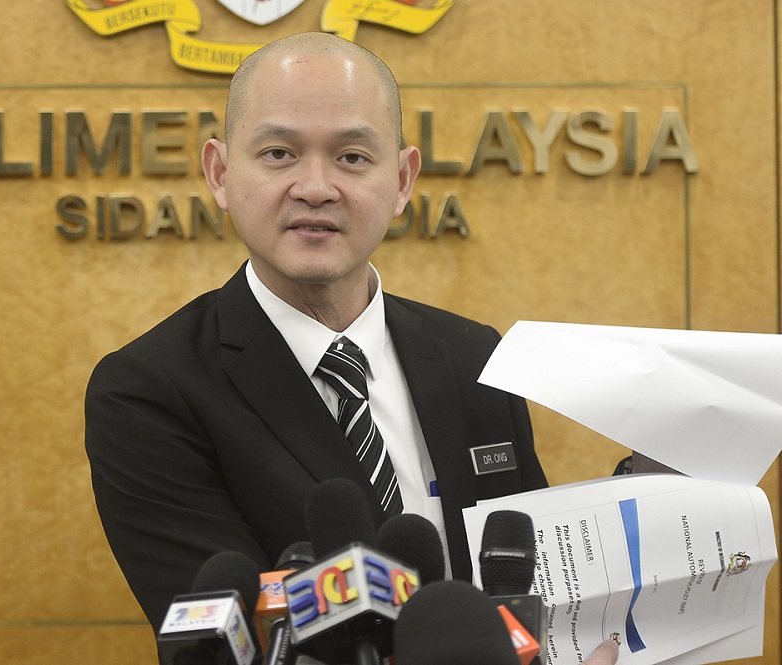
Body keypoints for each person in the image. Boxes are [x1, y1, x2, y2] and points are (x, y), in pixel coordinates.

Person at [85, 31, 619, 665]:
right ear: (221, 174)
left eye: (353, 157)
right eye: (279, 153)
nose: (316, 187)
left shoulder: (474, 356)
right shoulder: (149, 390)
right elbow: (232, 644)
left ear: (401, 181)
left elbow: (525, 578)